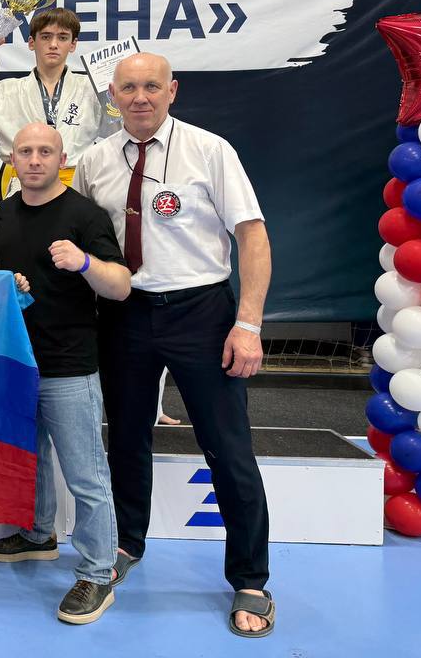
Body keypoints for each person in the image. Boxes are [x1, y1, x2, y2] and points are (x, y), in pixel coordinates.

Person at [72, 52, 274, 638]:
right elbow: (81, 239)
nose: (140, 97)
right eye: (129, 88)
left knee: (228, 448)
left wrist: (249, 323)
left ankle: (251, 578)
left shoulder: (210, 150)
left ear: (172, 91)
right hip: (124, 314)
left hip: (201, 312)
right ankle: (126, 545)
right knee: (125, 439)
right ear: (113, 95)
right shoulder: (95, 160)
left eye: (152, 87)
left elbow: (252, 236)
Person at [0, 123, 131, 625]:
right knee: (32, 459)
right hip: (18, 363)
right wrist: (5, 285)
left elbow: (120, 286)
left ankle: (97, 572)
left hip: (69, 365)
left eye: (45, 151)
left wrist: (84, 261)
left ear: (62, 159)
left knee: (86, 475)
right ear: (12, 159)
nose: (35, 159)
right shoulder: (3, 214)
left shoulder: (85, 215)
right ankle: (38, 534)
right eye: (25, 151)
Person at [0, 7, 100, 188]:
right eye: (46, 37)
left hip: (75, 187)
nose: (54, 44)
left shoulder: (92, 89)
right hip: (23, 189)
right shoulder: (8, 91)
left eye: (62, 37)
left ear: (73, 44)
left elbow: (119, 124)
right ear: (31, 42)